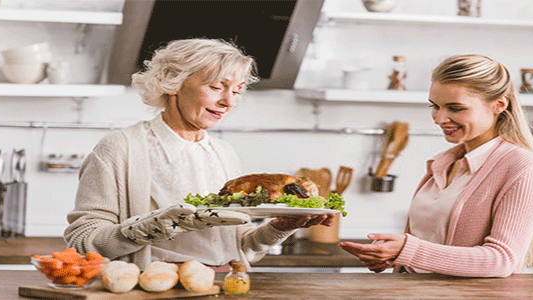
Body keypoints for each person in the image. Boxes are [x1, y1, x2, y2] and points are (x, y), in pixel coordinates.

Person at [64, 38, 335, 271]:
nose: (229, 102)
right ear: (173, 83)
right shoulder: (121, 148)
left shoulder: (222, 152)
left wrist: (281, 226)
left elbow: (242, 247)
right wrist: (153, 226)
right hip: (157, 285)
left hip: (229, 282)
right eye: (217, 87)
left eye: (237, 91)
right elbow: (83, 240)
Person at [339, 54, 533, 277]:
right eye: (435, 106)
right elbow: (429, 245)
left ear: (499, 105)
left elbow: (501, 260)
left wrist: (407, 249)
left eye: (455, 108)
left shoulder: (522, 167)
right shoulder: (444, 162)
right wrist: (395, 256)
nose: (439, 118)